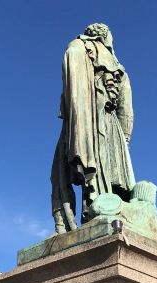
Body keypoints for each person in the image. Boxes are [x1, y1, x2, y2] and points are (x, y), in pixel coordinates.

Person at [51, 23, 135, 234]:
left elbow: (71, 82)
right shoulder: (119, 70)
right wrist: (124, 141)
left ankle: (90, 216)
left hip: (80, 124)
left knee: (63, 175)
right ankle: (91, 217)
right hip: (107, 125)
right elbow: (126, 111)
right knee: (93, 174)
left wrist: (78, 123)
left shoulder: (76, 47)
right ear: (107, 38)